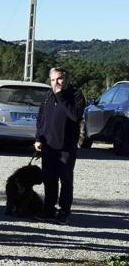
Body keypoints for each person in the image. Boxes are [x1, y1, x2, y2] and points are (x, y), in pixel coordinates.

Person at [35, 67, 86, 225]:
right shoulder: (48, 95)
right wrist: (38, 138)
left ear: (67, 79)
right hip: (49, 146)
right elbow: (41, 118)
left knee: (65, 180)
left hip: (66, 147)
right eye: (52, 80)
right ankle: (48, 210)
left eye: (59, 79)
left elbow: (75, 115)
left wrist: (60, 96)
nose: (55, 83)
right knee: (49, 180)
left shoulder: (76, 95)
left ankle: (64, 211)